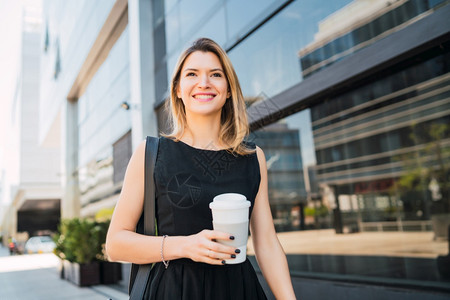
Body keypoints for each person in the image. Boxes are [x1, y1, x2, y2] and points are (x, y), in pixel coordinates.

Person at [106, 37, 296, 299]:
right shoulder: (151, 153)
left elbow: (266, 242)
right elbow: (115, 244)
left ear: (228, 89)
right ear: (178, 89)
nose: (204, 83)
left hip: (238, 290)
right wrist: (185, 245)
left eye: (215, 74)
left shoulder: (253, 157)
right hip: (174, 292)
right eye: (192, 74)